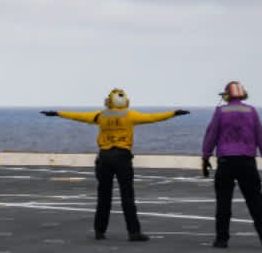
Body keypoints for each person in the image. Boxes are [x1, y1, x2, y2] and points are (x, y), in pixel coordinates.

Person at [42, 88, 188, 241]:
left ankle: (99, 231)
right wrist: (173, 113)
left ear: (109, 101)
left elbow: (78, 116)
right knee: (127, 196)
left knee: (103, 196)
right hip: (122, 157)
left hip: (104, 157)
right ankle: (134, 232)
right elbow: (152, 117)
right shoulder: (130, 115)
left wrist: (58, 113)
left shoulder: (101, 115)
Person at [201, 81, 262, 249]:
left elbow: (211, 135)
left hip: (226, 162)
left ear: (227, 95)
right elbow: (260, 135)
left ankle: (222, 239)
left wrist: (205, 157)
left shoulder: (220, 112)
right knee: (255, 201)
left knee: (223, 202)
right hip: (247, 162)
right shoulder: (251, 111)